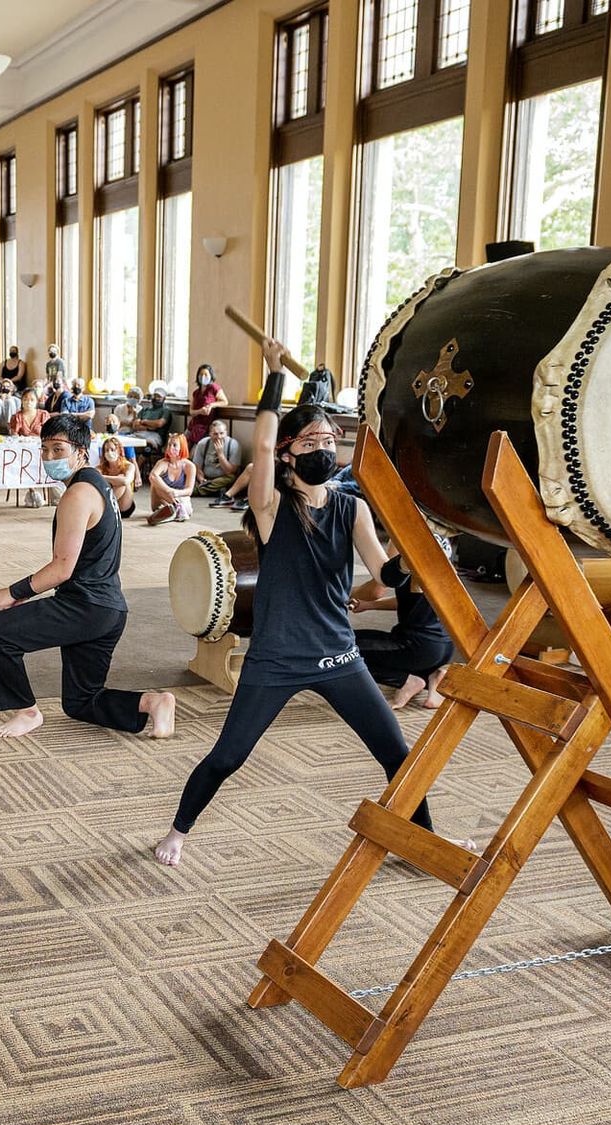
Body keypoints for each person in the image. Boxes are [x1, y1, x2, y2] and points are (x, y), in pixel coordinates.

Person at [155, 337, 446, 868]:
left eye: (331, 440)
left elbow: (383, 577)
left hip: (338, 655)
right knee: (228, 756)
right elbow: (260, 448)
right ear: (290, 451)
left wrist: (415, 558)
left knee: (398, 753)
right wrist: (274, 375)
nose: (323, 449)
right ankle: (178, 831)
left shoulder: (351, 508)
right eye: (310, 441)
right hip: (276, 660)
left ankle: (423, 841)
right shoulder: (270, 506)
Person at [0, 414, 176, 741]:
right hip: (108, 609)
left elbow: (62, 568)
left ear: (81, 452)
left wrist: (13, 591)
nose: (49, 457)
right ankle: (154, 703)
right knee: (82, 701)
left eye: (58, 449)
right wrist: (26, 593)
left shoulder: (77, 494)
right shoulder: (97, 484)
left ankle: (27, 712)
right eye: (44, 450)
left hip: (85, 607)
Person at [352, 543, 455, 710]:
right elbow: (413, 600)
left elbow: (378, 588)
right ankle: (433, 676)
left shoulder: (400, 539)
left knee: (341, 648)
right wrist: (370, 605)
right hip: (444, 646)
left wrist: (336, 591)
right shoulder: (441, 541)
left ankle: (407, 680)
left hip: (416, 647)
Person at [146, 434, 195, 525]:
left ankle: (175, 509)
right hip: (162, 500)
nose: (170, 448)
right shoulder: (163, 463)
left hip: (180, 497)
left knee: (184, 504)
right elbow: (152, 476)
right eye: (169, 445)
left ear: (182, 447)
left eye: (174, 445)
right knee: (155, 482)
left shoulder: (189, 466)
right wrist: (168, 490)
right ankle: (175, 509)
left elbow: (189, 490)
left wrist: (175, 493)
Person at [191, 418, 242, 498]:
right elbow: (197, 466)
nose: (219, 437)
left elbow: (231, 471)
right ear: (210, 434)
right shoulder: (203, 443)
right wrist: (201, 478)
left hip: (223, 478)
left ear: (226, 433)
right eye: (215, 434)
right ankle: (211, 490)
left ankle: (196, 491)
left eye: (222, 433)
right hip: (206, 478)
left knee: (231, 478)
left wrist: (220, 454)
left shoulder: (233, 444)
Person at [185, 363, 229, 448]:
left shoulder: (214, 388)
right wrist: (200, 411)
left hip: (206, 427)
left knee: (195, 452)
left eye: (206, 374)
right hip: (193, 425)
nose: (203, 376)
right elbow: (191, 411)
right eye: (201, 374)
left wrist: (212, 405)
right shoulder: (196, 393)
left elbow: (225, 401)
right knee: (182, 446)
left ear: (211, 376)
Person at [95, 434, 138, 517]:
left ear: (119, 451)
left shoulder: (128, 466)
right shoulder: (100, 468)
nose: (109, 452)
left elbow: (125, 480)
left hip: (124, 507)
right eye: (106, 450)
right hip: (109, 504)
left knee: (121, 479)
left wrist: (103, 477)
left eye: (112, 449)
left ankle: (104, 507)